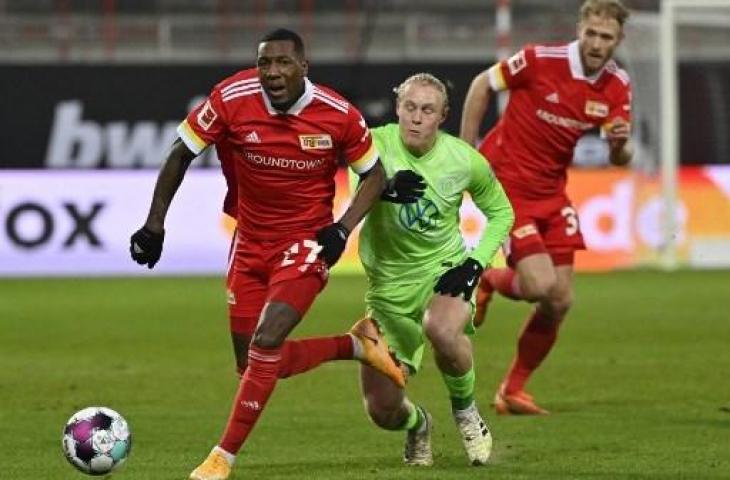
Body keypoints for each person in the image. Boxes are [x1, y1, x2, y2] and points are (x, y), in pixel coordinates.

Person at [129, 29, 407, 480]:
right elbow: (180, 153)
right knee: (254, 365)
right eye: (265, 64)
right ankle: (355, 345)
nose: (272, 73)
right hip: (250, 241)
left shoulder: (338, 114)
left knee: (267, 339)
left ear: (303, 67)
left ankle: (222, 457)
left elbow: (375, 174)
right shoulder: (232, 97)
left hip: (306, 242)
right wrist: (155, 223)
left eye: (282, 63)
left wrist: (342, 228)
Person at [460, 0, 633, 415]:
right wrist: (465, 154)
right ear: (580, 29)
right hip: (509, 186)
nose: (595, 43)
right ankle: (487, 277)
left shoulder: (616, 85)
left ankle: (512, 391)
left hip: (553, 193)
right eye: (590, 33)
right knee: (538, 285)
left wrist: (619, 145)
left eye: (605, 37)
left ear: (617, 40)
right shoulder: (539, 60)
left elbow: (619, 158)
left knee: (560, 300)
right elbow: (481, 85)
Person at [354, 73, 514, 466]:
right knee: (382, 410)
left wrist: (475, 264)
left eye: (427, 110)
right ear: (397, 108)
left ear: (442, 116)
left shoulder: (463, 159)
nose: (416, 118)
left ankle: (466, 411)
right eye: (409, 107)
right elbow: (353, 189)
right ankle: (418, 424)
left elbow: (501, 212)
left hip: (445, 271)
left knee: (441, 328)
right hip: (388, 289)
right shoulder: (373, 143)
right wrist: (386, 186)